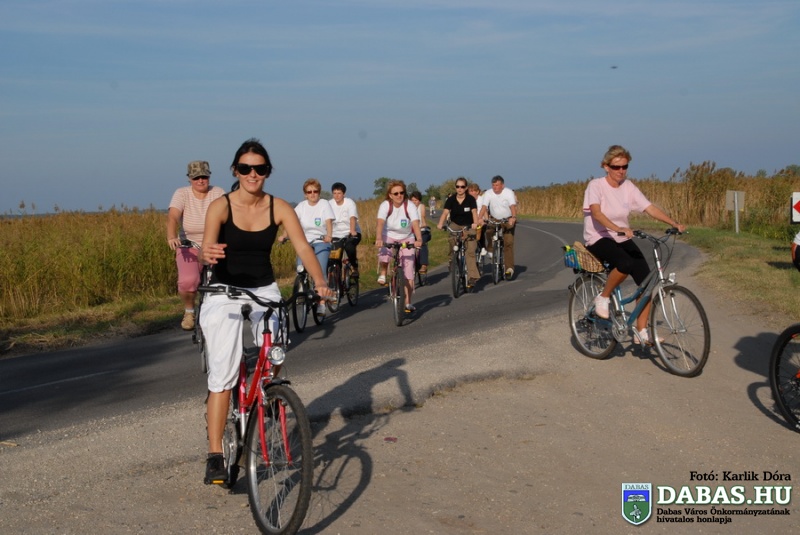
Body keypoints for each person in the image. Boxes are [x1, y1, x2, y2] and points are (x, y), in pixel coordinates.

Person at [199, 139, 332, 485]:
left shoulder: (279, 207)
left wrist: (320, 281)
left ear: (268, 172)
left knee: (275, 351)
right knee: (223, 373)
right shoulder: (220, 206)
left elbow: (303, 246)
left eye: (259, 168)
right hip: (224, 291)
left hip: (264, 289)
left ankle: (266, 392)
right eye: (245, 168)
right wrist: (205, 254)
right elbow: (205, 249)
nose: (252, 174)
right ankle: (215, 456)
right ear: (235, 171)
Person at [583, 145, 686, 345]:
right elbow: (596, 213)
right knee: (625, 263)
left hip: (621, 237)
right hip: (598, 237)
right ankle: (603, 297)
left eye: (625, 167)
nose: (621, 171)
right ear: (606, 166)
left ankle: (642, 332)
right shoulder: (595, 186)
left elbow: (649, 208)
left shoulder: (628, 187)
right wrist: (617, 228)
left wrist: (674, 223)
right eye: (616, 167)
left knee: (647, 282)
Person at [166, 161, 225, 330]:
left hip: (214, 244)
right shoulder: (182, 193)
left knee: (226, 281)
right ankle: (189, 311)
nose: (200, 180)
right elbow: (173, 217)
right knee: (188, 280)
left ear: (209, 177)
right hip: (189, 245)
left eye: (204, 177)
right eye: (196, 177)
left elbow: (229, 214)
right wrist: (171, 236)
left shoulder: (218, 192)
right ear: (189, 179)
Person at [278, 178, 334, 316]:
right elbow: (291, 222)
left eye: (315, 191)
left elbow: (328, 222)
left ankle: (321, 303)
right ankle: (302, 291)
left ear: (319, 192)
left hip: (321, 241)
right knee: (300, 269)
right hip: (304, 242)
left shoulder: (324, 204)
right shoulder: (301, 207)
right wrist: (284, 235)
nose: (312, 194)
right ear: (305, 194)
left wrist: (329, 235)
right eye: (309, 192)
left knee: (320, 271)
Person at [375, 180, 423, 312]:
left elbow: (415, 223)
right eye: (395, 193)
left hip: (406, 237)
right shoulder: (385, 205)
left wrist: (419, 239)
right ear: (390, 195)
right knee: (385, 252)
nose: (399, 195)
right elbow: (380, 223)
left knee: (408, 271)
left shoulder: (409, 206)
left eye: (401, 193)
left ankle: (408, 302)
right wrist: (378, 238)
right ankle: (383, 273)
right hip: (389, 235)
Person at [437, 177, 480, 287]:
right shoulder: (451, 200)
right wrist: (440, 224)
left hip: (468, 225)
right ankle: (452, 259)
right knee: (452, 240)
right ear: (455, 187)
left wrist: (475, 223)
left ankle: (472, 276)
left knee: (470, 251)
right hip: (455, 224)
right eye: (457, 186)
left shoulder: (470, 199)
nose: (460, 189)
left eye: (462, 186)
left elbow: (474, 212)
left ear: (466, 188)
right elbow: (445, 213)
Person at [478, 175, 518, 279]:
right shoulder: (488, 193)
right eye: (493, 185)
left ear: (502, 185)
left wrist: (513, 217)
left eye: (497, 185)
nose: (495, 187)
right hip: (494, 218)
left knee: (508, 243)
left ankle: (509, 269)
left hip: (507, 219)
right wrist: (479, 218)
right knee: (488, 231)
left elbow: (512, 206)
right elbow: (484, 207)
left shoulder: (508, 192)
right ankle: (490, 249)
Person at [330, 182, 362, 277]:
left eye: (339, 193)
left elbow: (352, 218)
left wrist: (352, 231)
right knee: (335, 256)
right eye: (334, 193)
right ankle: (336, 277)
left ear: (344, 194)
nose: (337, 196)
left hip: (351, 233)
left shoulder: (349, 203)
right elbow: (327, 220)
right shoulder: (329, 204)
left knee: (349, 247)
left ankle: (354, 266)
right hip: (336, 234)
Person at [409, 191, 431, 275]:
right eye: (412, 200)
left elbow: (423, 217)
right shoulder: (407, 208)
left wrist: (423, 225)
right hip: (410, 231)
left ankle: (424, 264)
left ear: (419, 201)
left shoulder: (421, 206)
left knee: (422, 243)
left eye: (416, 200)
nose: (414, 202)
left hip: (421, 230)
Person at [468, 182, 488, 258]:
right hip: (471, 220)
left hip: (480, 220)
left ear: (477, 192)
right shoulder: (467, 200)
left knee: (480, 230)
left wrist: (485, 220)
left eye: (473, 191)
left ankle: (483, 247)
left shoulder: (481, 199)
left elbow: (485, 211)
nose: (471, 193)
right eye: (470, 191)